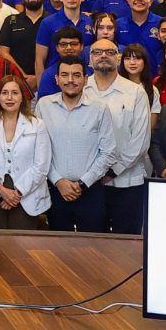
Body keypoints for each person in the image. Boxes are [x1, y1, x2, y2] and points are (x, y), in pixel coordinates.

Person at [34, 55, 117, 232]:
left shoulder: (99, 108)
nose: (70, 80)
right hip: (55, 190)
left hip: (91, 190)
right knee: (58, 246)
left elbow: (108, 152)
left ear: (85, 79)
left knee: (93, 246)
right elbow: (38, 150)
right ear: (57, 79)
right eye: (65, 75)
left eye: (76, 75)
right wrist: (58, 181)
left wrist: (82, 183)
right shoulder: (44, 105)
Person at [83, 39, 151, 235]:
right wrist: (92, 175)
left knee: (126, 243)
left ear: (118, 58)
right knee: (92, 244)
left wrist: (113, 171)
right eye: (97, 52)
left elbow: (140, 140)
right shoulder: (81, 89)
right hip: (89, 182)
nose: (103, 55)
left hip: (126, 181)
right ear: (90, 59)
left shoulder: (135, 92)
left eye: (110, 52)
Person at [0, 75, 51, 230]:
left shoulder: (37, 124)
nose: (9, 97)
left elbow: (41, 165)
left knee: (23, 244)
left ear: (22, 97)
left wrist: (16, 194)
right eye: (5, 93)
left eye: (15, 93)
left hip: (27, 195)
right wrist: (1, 190)